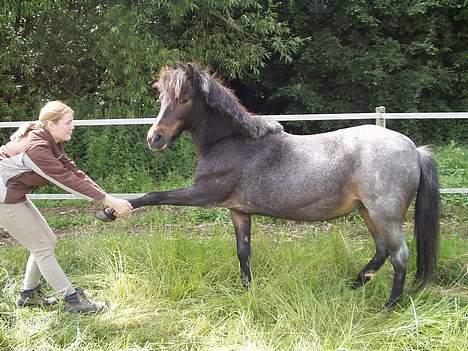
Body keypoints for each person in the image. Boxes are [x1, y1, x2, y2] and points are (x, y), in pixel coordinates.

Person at [0, 101, 133, 313]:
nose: (73, 126)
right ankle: (72, 301)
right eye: (68, 122)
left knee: (47, 243)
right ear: (51, 124)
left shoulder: (49, 140)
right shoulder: (36, 149)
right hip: (2, 199)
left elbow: (74, 172)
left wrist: (109, 198)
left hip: (11, 195)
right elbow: (65, 180)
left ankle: (28, 295)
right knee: (42, 247)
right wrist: (109, 201)